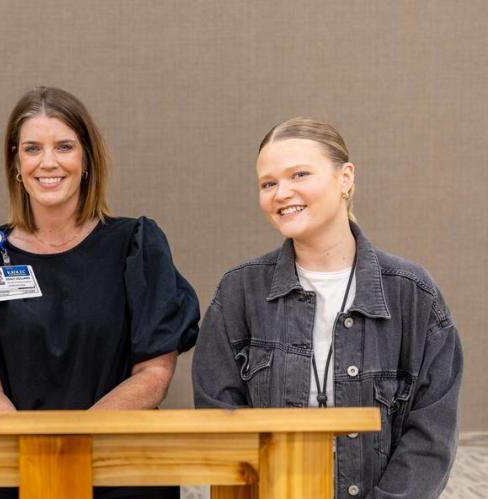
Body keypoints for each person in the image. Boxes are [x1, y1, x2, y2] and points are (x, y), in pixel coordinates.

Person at [0, 86, 200, 499]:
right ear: (16, 163)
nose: (48, 162)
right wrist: (36, 452)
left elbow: (154, 376)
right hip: (13, 469)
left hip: (122, 471)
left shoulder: (136, 246)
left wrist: (71, 443)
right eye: (33, 148)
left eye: (65, 146)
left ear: (87, 159)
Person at [192, 118, 462, 498]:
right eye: (268, 183)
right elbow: (219, 420)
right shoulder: (240, 290)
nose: (281, 193)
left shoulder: (412, 293)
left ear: (345, 178)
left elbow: (432, 435)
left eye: (299, 174)